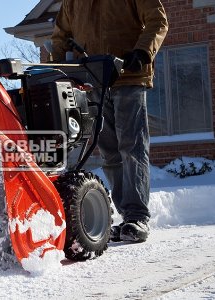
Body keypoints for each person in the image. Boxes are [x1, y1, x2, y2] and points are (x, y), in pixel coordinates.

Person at [51, 0, 168, 243]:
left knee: (131, 148)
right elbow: (61, 34)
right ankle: (127, 217)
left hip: (129, 76)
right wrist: (58, 68)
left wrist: (143, 51)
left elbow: (158, 21)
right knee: (110, 152)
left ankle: (137, 216)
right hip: (93, 79)